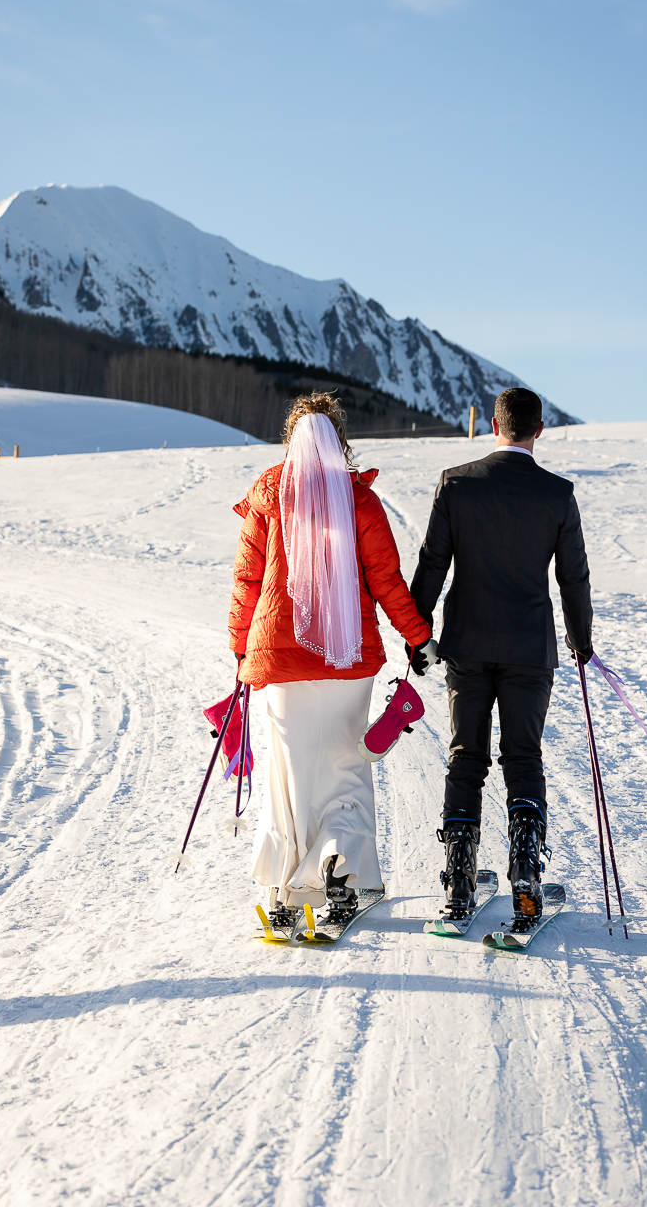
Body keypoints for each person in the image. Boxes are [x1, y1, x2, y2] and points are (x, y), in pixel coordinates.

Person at [229, 392, 435, 929]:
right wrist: (417, 637)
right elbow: (386, 581)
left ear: (290, 438)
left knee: (289, 776)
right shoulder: (359, 501)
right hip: (348, 661)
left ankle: (282, 890)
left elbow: (248, 580)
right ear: (339, 440)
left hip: (279, 662)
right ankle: (341, 874)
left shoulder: (269, 494)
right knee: (344, 771)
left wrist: (238, 646)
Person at [408, 387, 593, 928]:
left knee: (466, 757)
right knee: (523, 757)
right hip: (530, 651)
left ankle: (459, 887)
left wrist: (417, 634)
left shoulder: (458, 483)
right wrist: (581, 643)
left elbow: (432, 562)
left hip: (467, 644)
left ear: (494, 425)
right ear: (540, 430)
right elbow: (573, 578)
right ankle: (527, 885)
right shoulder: (558, 495)